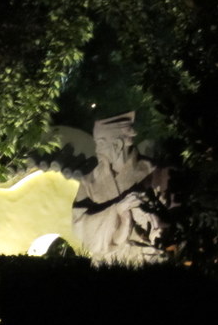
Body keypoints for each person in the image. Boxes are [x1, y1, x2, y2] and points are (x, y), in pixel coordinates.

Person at [72, 112, 168, 266]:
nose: (97, 150)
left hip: (145, 262)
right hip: (105, 264)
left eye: (101, 144)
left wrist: (148, 216)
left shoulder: (151, 171)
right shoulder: (89, 181)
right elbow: (79, 226)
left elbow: (169, 221)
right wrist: (116, 210)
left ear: (117, 144)